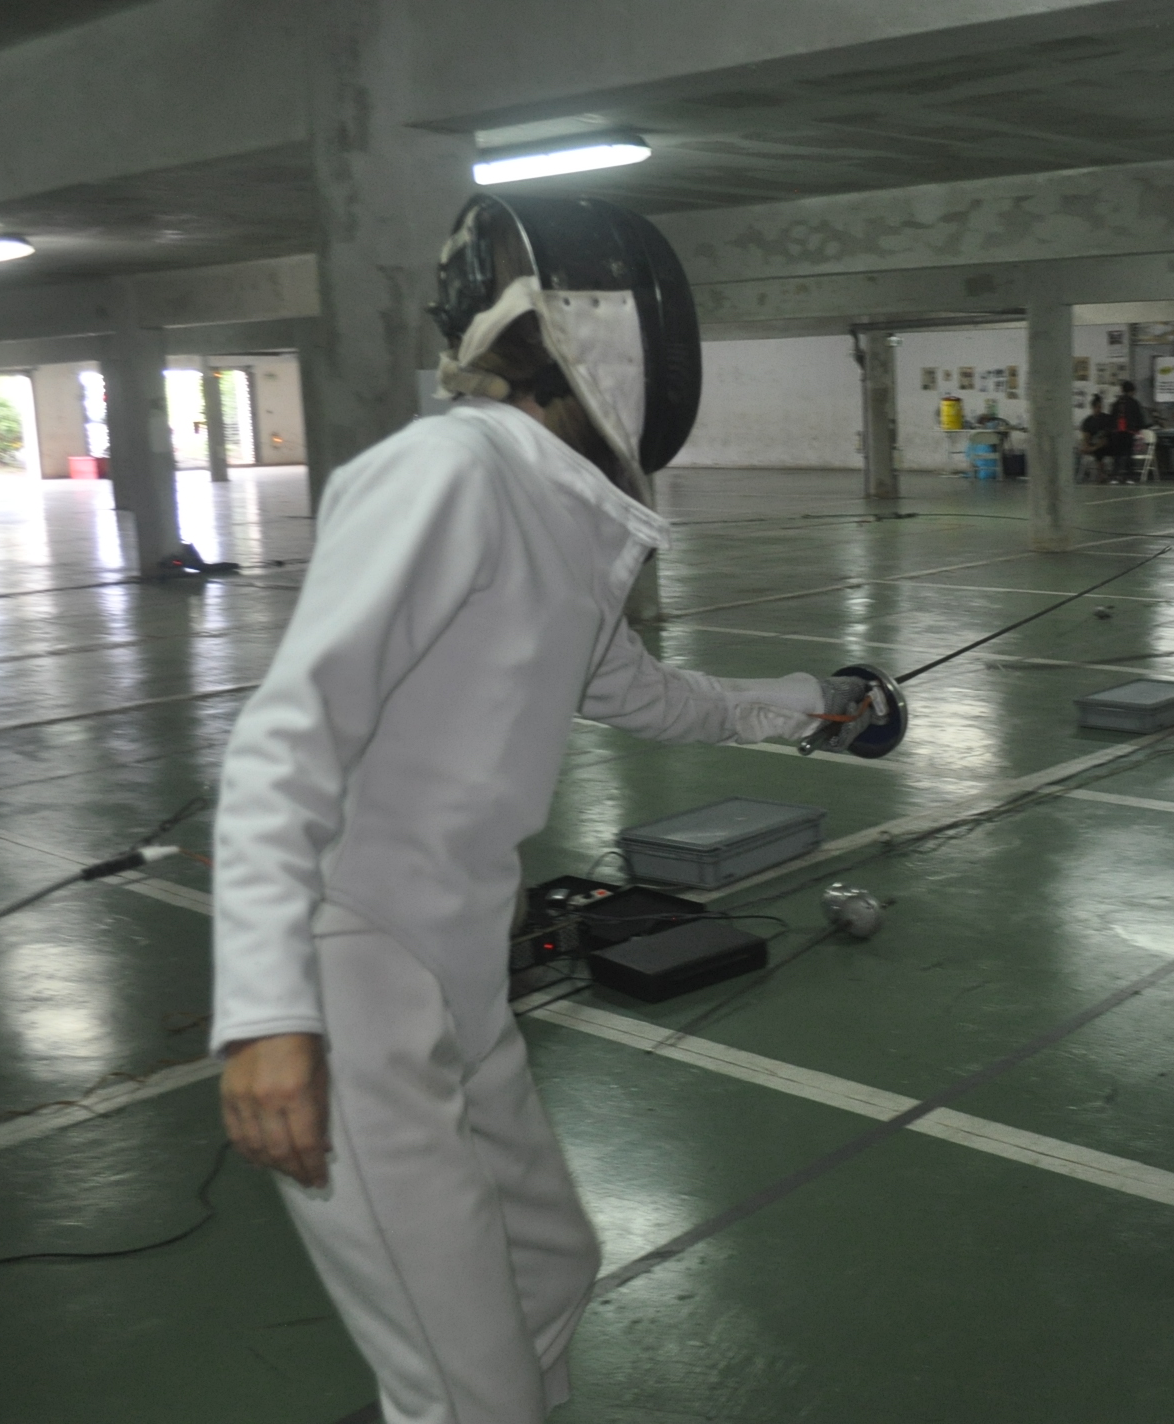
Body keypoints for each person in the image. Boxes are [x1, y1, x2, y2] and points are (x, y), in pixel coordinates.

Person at [212, 194, 885, 1424]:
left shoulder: (564, 513)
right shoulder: (448, 471)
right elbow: (288, 728)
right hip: (348, 963)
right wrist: (261, 1010)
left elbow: (640, 691)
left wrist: (812, 702)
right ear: (576, 328)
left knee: (548, 1267)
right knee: (468, 1382)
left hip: (457, 960)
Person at [1107, 379, 1146, 484]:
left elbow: (1111, 418)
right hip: (1129, 431)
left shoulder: (1116, 403)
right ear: (1132, 391)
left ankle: (1115, 476)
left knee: (1117, 455)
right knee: (1128, 453)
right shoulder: (1134, 403)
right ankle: (1129, 477)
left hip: (1117, 432)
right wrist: (1139, 428)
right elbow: (1139, 419)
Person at [1078, 393, 1114, 483]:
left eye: (1100, 407)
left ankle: (1101, 474)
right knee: (1090, 449)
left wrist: (1093, 447)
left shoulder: (1106, 418)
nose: (1099, 409)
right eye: (1097, 407)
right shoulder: (1088, 421)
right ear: (1093, 407)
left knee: (1100, 447)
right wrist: (1085, 444)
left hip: (1105, 444)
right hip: (1093, 444)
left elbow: (1107, 436)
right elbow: (1086, 436)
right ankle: (1090, 473)